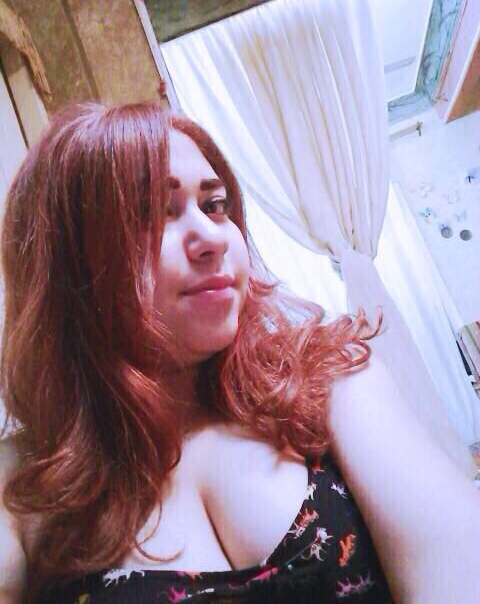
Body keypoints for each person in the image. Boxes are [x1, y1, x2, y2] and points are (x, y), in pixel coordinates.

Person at [0, 102, 478, 604]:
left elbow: (459, 561)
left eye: (215, 205)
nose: (211, 237)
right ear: (70, 264)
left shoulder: (328, 381)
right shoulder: (24, 485)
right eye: (149, 214)